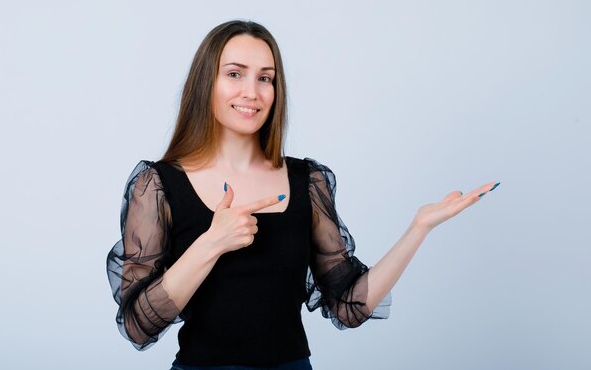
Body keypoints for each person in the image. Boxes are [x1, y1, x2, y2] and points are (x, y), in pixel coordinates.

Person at [106, 20, 499, 370]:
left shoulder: (307, 180)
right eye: (235, 74)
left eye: (265, 78)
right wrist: (211, 243)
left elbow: (349, 306)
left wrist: (419, 228)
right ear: (206, 82)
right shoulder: (158, 185)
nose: (252, 92)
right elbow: (139, 325)